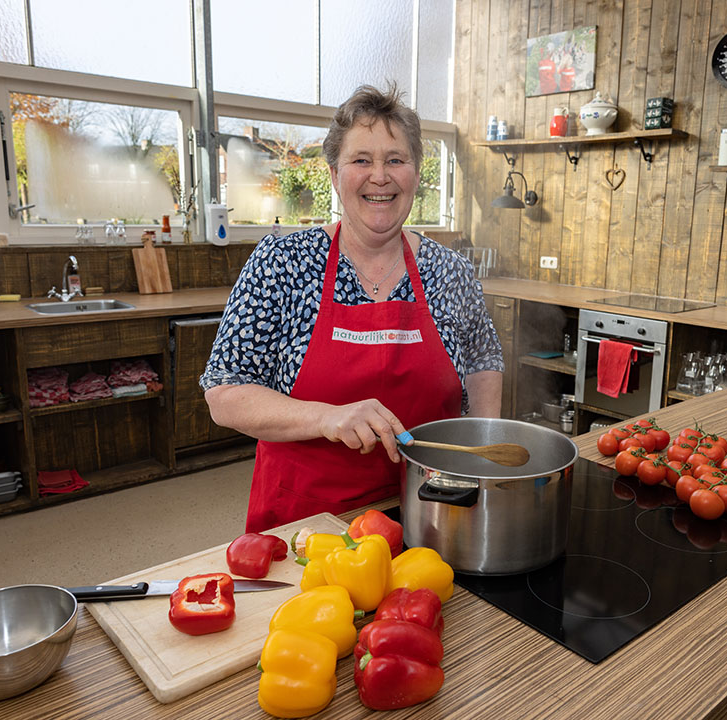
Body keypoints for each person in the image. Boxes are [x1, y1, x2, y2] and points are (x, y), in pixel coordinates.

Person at [202, 84, 504, 533]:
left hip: (429, 511)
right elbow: (225, 394)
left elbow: (483, 361)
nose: (379, 176)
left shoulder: (451, 271)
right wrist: (328, 416)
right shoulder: (282, 263)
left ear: (416, 173)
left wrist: (480, 459)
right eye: (361, 160)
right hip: (307, 524)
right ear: (334, 174)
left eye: (395, 160)